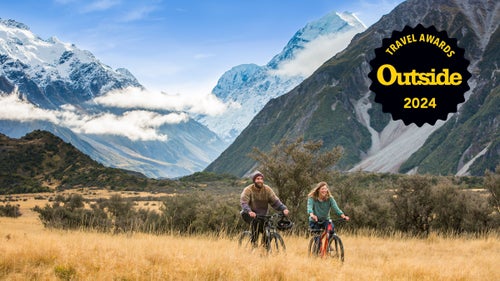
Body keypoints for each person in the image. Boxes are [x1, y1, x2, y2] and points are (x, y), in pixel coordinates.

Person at [240, 171, 289, 242]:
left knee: (267, 231)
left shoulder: (267, 189)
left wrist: (284, 209)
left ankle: (265, 248)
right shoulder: (248, 190)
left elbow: (275, 201)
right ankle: (254, 246)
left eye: (261, 179)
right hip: (248, 214)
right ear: (254, 180)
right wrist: (249, 211)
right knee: (255, 228)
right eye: (257, 179)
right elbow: (244, 203)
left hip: (262, 215)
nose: (260, 180)